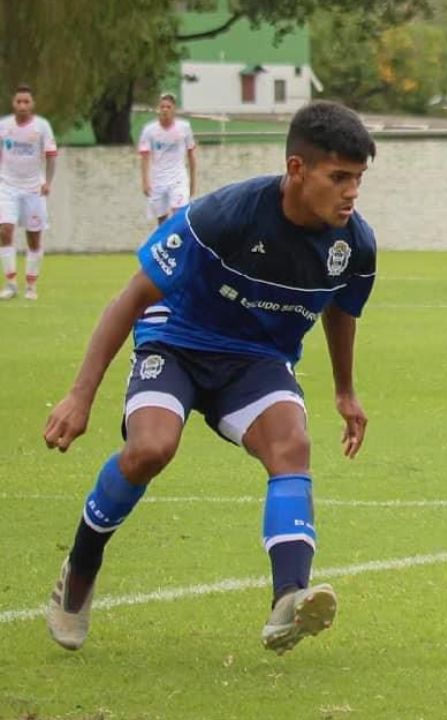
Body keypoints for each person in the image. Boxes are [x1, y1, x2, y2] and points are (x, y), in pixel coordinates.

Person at [41, 101, 377, 655]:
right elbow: (130, 297)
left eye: (358, 179)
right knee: (150, 448)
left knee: (292, 446)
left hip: (255, 358)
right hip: (177, 340)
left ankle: (289, 601)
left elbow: (342, 309)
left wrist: (344, 390)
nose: (351, 192)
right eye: (338, 177)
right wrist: (80, 396)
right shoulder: (223, 215)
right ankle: (79, 570)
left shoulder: (354, 244)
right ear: (297, 169)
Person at [0, 84, 57, 300]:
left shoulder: (41, 127)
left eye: (26, 102)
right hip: (7, 187)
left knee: (33, 238)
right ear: (13, 104)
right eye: (18, 102)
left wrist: (48, 182)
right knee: (5, 230)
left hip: (33, 188)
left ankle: (31, 285)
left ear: (32, 104)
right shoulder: (4, 126)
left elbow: (51, 155)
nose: (22, 106)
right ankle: (11, 283)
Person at [138, 92, 197, 226]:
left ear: (174, 109)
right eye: (162, 107)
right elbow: (145, 156)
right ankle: (165, 245)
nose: (165, 110)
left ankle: (178, 244)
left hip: (178, 179)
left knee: (179, 215)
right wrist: (145, 182)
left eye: (168, 107)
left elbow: (191, 155)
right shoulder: (149, 130)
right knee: (161, 218)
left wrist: (193, 182)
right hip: (158, 179)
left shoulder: (184, 128)